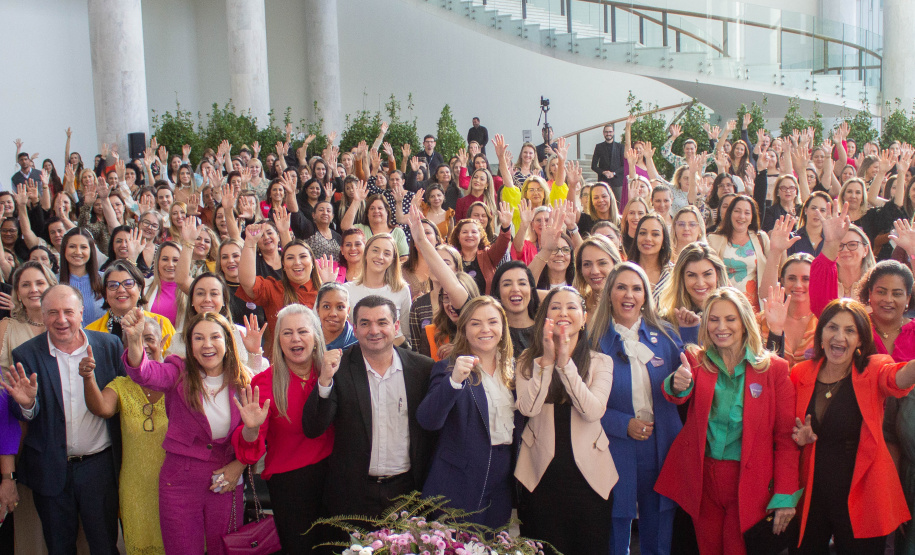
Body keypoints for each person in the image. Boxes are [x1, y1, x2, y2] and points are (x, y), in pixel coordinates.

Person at [655, 287, 799, 555]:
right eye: (713, 319)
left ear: (745, 323)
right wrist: (677, 384)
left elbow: (786, 438)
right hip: (703, 483)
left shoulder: (774, 369)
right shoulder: (696, 361)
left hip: (749, 485)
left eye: (730, 319)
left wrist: (786, 496)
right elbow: (676, 393)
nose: (721, 327)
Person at [5, 285, 126, 555]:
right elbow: (23, 415)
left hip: (98, 468)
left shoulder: (109, 346)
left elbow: (122, 403)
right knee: (59, 548)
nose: (61, 320)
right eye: (53, 313)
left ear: (82, 313)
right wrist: (26, 405)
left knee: (105, 546)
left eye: (68, 312)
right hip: (50, 469)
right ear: (43, 315)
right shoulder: (26, 355)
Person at [120, 308, 253, 555]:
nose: (207, 345)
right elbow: (145, 373)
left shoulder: (243, 381)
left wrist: (239, 465)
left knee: (225, 550)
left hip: (225, 479)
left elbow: (256, 434)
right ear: (190, 345)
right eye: (198, 338)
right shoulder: (177, 372)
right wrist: (135, 340)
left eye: (215, 337)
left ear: (227, 342)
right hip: (179, 481)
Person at [790, 299, 915, 554]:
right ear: (821, 333)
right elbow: (783, 431)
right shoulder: (800, 373)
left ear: (860, 340)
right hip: (811, 492)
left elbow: (898, 378)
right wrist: (798, 438)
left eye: (850, 330)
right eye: (832, 328)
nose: (839, 337)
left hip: (863, 493)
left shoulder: (874, 368)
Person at [302, 296, 436, 519]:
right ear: (354, 329)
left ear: (395, 326)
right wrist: (324, 380)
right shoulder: (338, 368)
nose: (374, 330)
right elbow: (313, 427)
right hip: (353, 494)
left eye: (382, 322)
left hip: (407, 492)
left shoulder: (422, 369)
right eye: (365, 323)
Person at [514, 286, 616, 555]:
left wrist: (564, 363)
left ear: (583, 318)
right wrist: (546, 362)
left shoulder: (600, 362)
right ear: (544, 317)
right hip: (540, 477)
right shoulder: (527, 360)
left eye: (571, 307)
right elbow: (528, 408)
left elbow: (593, 411)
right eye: (555, 306)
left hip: (591, 480)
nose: (563, 312)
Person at [591, 262, 683, 555]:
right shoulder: (592, 341)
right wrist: (621, 423)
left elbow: (686, 389)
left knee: (660, 521)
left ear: (646, 295)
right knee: (617, 521)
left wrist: (682, 386)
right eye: (621, 287)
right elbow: (582, 404)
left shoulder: (666, 337)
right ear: (609, 294)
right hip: (614, 445)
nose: (628, 295)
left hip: (660, 446)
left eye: (636, 288)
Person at [232, 305, 336, 552]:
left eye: (302, 331)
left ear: (316, 336)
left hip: (334, 479)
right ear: (278, 340)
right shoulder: (263, 383)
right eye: (287, 333)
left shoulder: (332, 373)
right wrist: (251, 429)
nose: (296, 338)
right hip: (290, 486)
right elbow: (250, 450)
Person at [417, 296, 519, 528]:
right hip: (457, 482)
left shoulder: (514, 369)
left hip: (501, 482)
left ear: (503, 327)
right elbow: (427, 420)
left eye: (492, 322)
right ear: (463, 329)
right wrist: (453, 382)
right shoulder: (448, 367)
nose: (485, 329)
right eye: (475, 323)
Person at [78, 317, 168, 555]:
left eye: (149, 339)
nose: (144, 346)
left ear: (163, 342)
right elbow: (102, 409)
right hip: (135, 488)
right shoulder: (120, 385)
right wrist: (88, 378)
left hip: (175, 486)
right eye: (135, 341)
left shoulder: (178, 382)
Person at [707, 194, 776, 311]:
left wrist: (779, 249)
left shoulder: (761, 238)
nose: (742, 216)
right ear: (730, 214)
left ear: (752, 217)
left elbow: (775, 269)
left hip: (754, 308)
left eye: (747, 213)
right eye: (737, 211)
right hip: (724, 305)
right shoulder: (713, 239)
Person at [343, 233, 413, 346]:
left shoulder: (401, 290)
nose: (380, 257)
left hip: (394, 351)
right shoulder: (347, 290)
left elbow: (406, 332)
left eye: (387, 253)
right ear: (366, 254)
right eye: (375, 250)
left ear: (392, 260)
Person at [490, 260, 539, 357]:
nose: (515, 289)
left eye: (522, 283)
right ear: (498, 291)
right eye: (507, 284)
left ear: (531, 289)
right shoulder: (490, 333)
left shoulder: (544, 331)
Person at [58, 227, 106, 326]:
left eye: (83, 247)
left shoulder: (105, 279)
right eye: (72, 246)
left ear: (91, 250)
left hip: (101, 339)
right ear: (64, 249)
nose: (78, 252)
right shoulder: (54, 281)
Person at [591, 124, 626, 200]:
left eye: (610, 132)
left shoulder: (620, 147)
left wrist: (613, 173)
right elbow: (593, 166)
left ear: (613, 132)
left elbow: (624, 166)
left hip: (617, 182)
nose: (608, 134)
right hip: (603, 181)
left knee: (618, 206)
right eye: (606, 132)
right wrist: (604, 172)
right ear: (603, 133)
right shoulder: (598, 147)